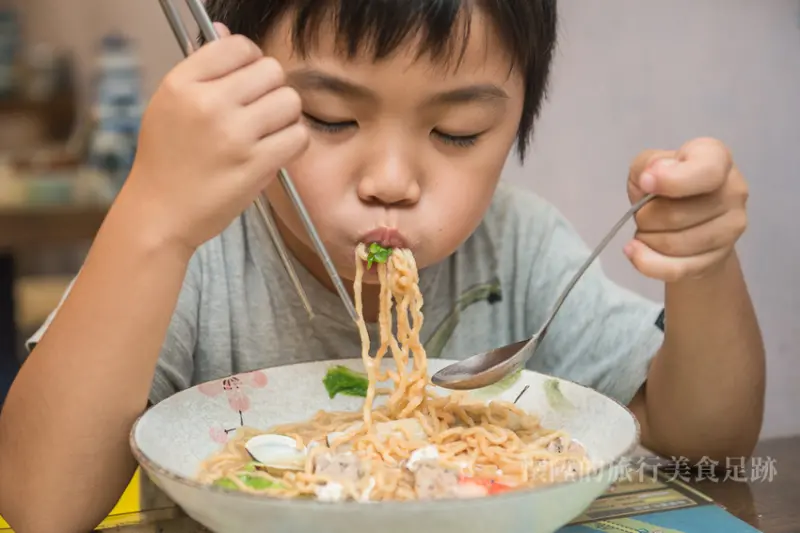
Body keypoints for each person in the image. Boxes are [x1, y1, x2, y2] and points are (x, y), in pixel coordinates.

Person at [0, 1, 764, 531]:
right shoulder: (196, 253)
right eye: (330, 118)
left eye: (458, 130)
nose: (391, 181)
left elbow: (708, 443)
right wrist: (153, 218)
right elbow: (40, 505)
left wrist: (702, 269)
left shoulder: (522, 245)